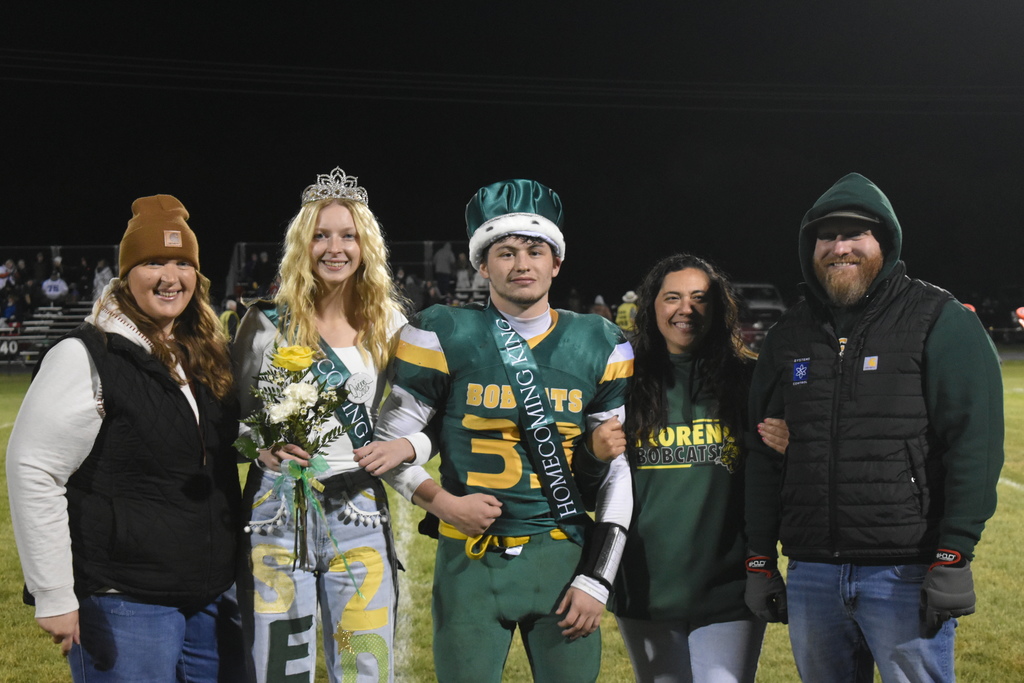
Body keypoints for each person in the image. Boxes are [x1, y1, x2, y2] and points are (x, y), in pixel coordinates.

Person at [355, 178, 634, 683]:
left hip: (562, 555)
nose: (522, 264)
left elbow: (617, 474)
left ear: (556, 262)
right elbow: (387, 448)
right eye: (505, 252)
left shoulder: (596, 341)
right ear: (482, 265)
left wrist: (598, 579)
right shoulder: (444, 332)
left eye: (535, 251)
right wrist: (444, 504)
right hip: (471, 560)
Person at [744, 173, 1004, 682]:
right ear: (810, 249)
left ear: (885, 241)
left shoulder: (939, 319)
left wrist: (954, 553)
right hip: (813, 572)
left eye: (855, 234)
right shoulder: (788, 334)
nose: (839, 247)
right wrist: (759, 557)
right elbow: (762, 453)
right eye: (826, 236)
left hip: (906, 570)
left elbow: (974, 445)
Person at [7, 194, 243, 681]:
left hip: (213, 593)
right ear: (126, 274)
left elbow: (201, 445)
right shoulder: (85, 354)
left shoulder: (205, 353)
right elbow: (35, 468)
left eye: (182, 263)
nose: (170, 277)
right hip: (124, 600)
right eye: (153, 262)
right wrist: (53, 593)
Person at [233, 167, 426, 683]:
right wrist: (261, 447)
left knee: (367, 667)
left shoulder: (391, 325)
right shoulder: (264, 322)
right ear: (303, 244)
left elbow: (421, 416)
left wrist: (411, 447)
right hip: (276, 509)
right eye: (321, 235)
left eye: (348, 236)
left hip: (358, 507)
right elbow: (233, 419)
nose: (334, 248)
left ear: (366, 246)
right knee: (279, 668)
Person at [608, 254, 788, 683]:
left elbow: (773, 480)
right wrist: (593, 454)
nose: (685, 309)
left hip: (729, 585)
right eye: (672, 297)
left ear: (718, 307)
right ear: (651, 306)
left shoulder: (750, 379)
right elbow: (593, 480)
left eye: (699, 298)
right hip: (645, 583)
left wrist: (792, 445)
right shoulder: (621, 381)